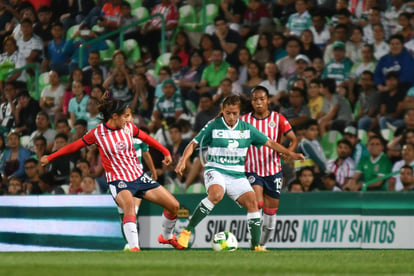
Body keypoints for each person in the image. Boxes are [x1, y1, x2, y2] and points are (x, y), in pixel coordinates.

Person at [40, 99, 183, 251]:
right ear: (115, 116)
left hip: (139, 177)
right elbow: (75, 146)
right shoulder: (98, 133)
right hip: (118, 180)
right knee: (129, 206)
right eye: (126, 116)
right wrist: (50, 157)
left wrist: (165, 152)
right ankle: (135, 248)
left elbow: (147, 138)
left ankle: (166, 237)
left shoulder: (129, 128)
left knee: (174, 206)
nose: (129, 119)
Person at [175, 95, 304, 251]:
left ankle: (256, 246)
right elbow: (193, 143)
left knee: (253, 203)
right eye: (228, 113)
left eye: (235, 113)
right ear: (222, 111)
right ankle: (187, 231)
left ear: (239, 112)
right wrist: (183, 161)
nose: (231, 117)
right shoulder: (213, 126)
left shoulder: (247, 128)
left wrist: (291, 154)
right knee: (216, 195)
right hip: (216, 170)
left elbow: (269, 142)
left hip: (237, 174)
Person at [240, 86, 298, 248]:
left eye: (262, 99)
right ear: (251, 102)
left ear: (268, 100)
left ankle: (261, 245)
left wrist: (289, 152)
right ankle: (254, 240)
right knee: (257, 203)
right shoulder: (244, 121)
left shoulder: (278, 119)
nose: (258, 103)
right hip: (252, 169)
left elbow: (293, 139)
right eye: (255, 100)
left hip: (273, 171)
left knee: (270, 214)